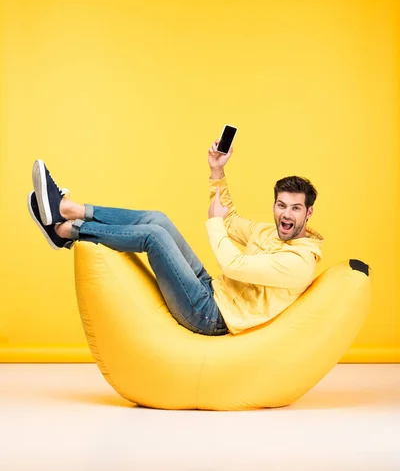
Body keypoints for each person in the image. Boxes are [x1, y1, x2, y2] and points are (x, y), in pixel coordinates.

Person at [28, 141, 323, 336]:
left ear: (308, 214)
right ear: (274, 206)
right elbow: (230, 220)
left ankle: (66, 232)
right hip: (210, 289)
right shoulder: (268, 232)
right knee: (159, 219)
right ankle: (71, 209)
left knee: (154, 237)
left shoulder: (299, 262)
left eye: (295, 208)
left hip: (211, 316)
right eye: (281, 205)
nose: (286, 214)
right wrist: (217, 170)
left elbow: (233, 264)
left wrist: (214, 222)